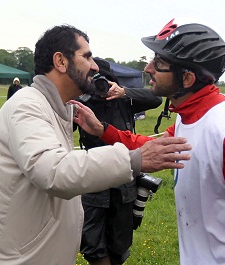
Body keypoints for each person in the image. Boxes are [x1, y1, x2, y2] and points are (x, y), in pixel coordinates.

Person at [0, 24, 192, 265]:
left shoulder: (59, 107)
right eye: (86, 57)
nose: (95, 66)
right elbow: (53, 171)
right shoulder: (27, 105)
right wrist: (133, 160)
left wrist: (103, 130)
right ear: (61, 62)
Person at [72, 18, 225, 264]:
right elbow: (153, 147)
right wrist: (102, 130)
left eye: (160, 63)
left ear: (186, 79)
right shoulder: (188, 117)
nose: (148, 69)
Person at [76, 57, 162, 265]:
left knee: (119, 240)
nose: (100, 86)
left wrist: (123, 92)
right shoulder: (83, 102)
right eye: (95, 81)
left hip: (124, 176)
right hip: (93, 175)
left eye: (104, 81)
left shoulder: (123, 99)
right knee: (92, 241)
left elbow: (156, 98)